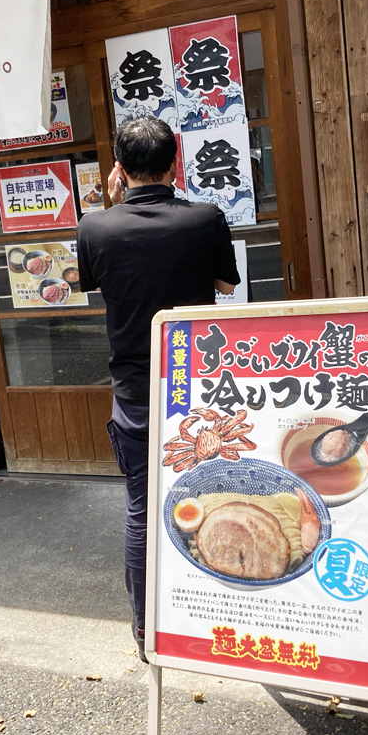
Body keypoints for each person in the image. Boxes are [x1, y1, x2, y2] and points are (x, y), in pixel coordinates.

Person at [77, 115, 239, 661]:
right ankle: (220, 616)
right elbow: (224, 285)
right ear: (177, 161)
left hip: (136, 392)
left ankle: (148, 631)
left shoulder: (95, 227)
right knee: (219, 497)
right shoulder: (205, 218)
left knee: (143, 511)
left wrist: (109, 201)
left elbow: (96, 282)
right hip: (201, 391)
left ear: (119, 169)